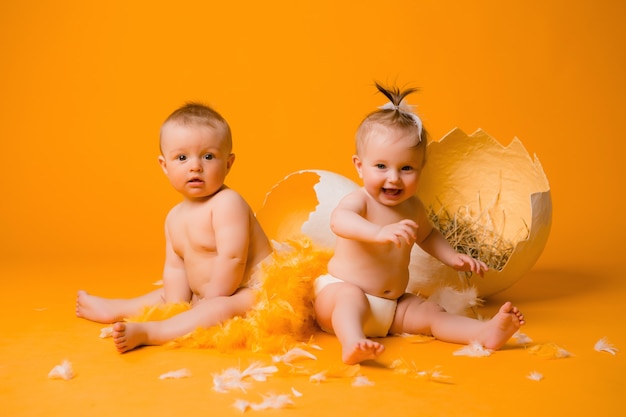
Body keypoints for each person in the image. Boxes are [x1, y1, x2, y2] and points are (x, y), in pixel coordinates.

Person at [313, 84, 525, 365]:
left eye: (406, 168)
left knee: (431, 314)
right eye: (381, 167)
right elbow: (339, 221)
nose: (394, 178)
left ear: (421, 168)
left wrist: (453, 257)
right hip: (338, 295)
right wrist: (377, 232)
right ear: (359, 166)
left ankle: (484, 333)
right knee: (350, 298)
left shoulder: (413, 207)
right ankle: (352, 342)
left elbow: (428, 236)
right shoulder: (359, 201)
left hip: (393, 307)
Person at [76, 103, 272, 353]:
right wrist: (176, 302)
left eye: (208, 156)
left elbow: (233, 258)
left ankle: (153, 332)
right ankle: (117, 308)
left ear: (228, 163)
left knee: (221, 307)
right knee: (166, 293)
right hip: (209, 291)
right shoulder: (174, 217)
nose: (195, 166)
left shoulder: (227, 203)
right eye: (182, 157)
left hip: (251, 291)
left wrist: (212, 295)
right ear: (164, 165)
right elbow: (175, 266)